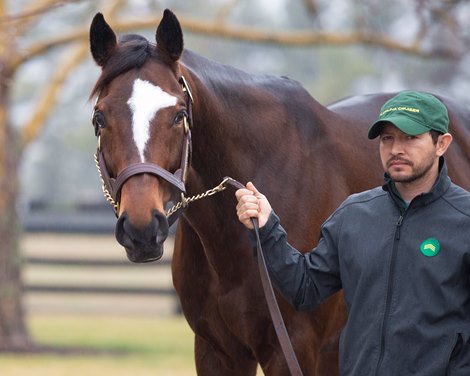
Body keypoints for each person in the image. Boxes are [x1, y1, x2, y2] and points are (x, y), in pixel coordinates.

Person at [235, 91, 470, 375]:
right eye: (387, 138)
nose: (397, 148)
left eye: (411, 138)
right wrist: (266, 227)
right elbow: (305, 289)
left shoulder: (464, 220)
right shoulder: (355, 214)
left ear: (441, 144)